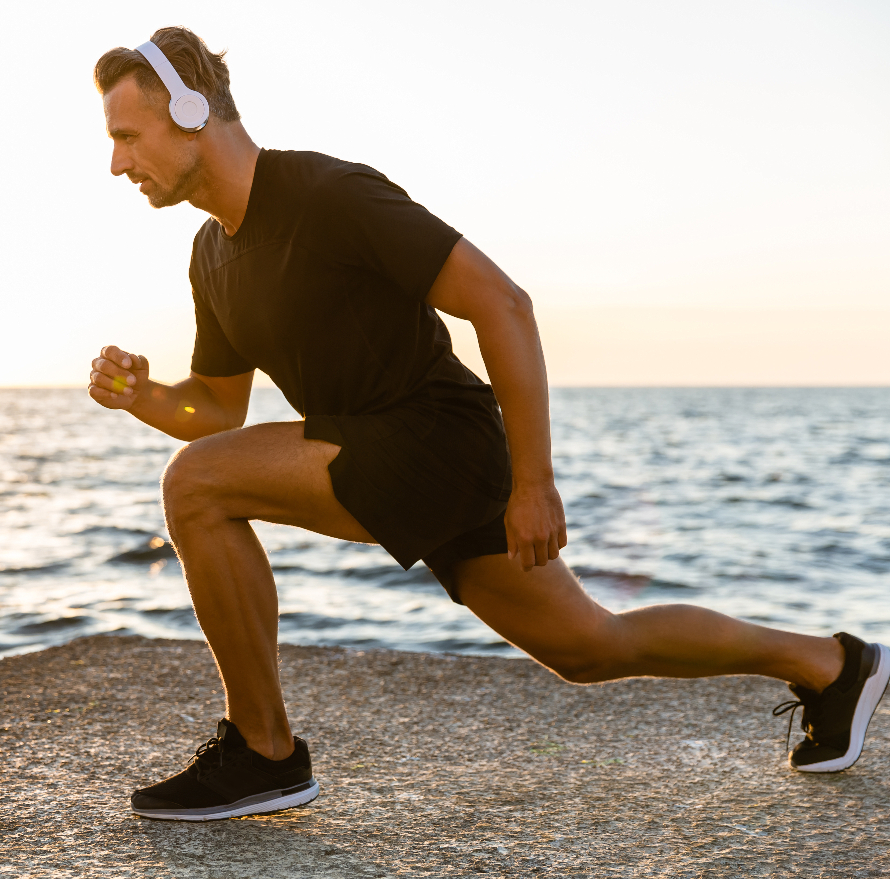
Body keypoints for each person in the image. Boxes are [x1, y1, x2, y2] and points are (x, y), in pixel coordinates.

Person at [89, 27, 889, 822]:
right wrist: (145, 393)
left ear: (192, 108)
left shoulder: (328, 194)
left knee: (194, 487)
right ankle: (831, 663)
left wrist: (535, 482)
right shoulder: (211, 254)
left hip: (437, 440)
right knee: (588, 647)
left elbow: (503, 303)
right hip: (388, 454)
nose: (118, 162)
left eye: (128, 136)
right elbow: (216, 412)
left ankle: (263, 751)